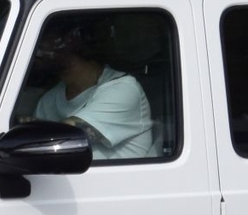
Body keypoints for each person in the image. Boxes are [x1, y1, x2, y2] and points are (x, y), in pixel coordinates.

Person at [29, 22, 156, 158]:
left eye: (45, 35)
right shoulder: (49, 99)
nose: (35, 46)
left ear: (73, 40)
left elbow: (70, 137)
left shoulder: (124, 89)